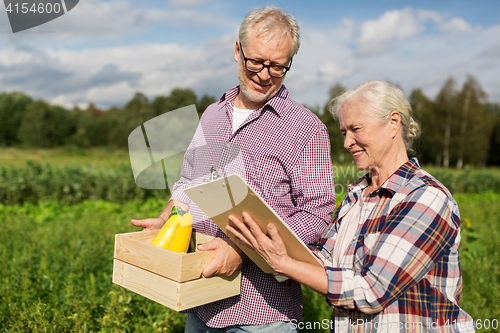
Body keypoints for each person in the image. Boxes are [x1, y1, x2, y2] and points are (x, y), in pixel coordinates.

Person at [131, 5, 336, 332]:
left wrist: (242, 249)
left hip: (262, 315)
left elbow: (318, 211)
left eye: (278, 66)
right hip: (200, 304)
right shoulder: (212, 115)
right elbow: (188, 183)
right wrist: (167, 220)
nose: (265, 74)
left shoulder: (305, 128)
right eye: (256, 61)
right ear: (237, 50)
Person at [227, 80, 475, 332]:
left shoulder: (425, 197)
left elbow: (372, 290)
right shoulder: (357, 194)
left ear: (393, 123)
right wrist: (259, 240)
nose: (347, 142)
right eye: (344, 132)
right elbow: (323, 258)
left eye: (356, 129)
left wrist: (286, 264)